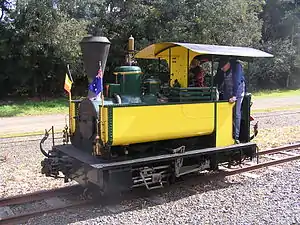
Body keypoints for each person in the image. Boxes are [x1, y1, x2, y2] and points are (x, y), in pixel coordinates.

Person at [215, 58, 246, 144]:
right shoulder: (223, 68)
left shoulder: (237, 67)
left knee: (236, 113)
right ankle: (225, 133)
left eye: (223, 67)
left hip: (238, 92)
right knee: (225, 113)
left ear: (228, 64)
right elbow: (219, 79)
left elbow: (237, 81)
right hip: (228, 91)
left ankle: (236, 136)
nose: (222, 69)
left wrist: (235, 96)